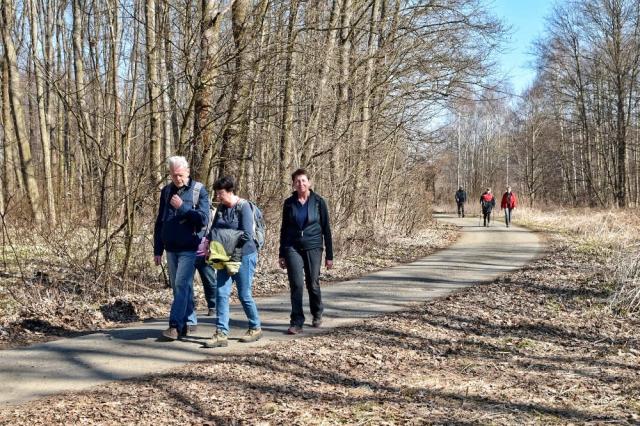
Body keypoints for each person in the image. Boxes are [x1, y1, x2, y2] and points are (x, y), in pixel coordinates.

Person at [153, 156, 209, 340]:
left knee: (181, 284)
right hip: (171, 247)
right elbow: (160, 221)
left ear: (187, 172)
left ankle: (174, 326)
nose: (178, 179)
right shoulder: (166, 191)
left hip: (190, 247)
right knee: (180, 288)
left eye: (180, 175)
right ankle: (188, 321)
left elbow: (203, 219)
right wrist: (158, 249)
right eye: (174, 175)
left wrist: (182, 207)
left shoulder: (199, 190)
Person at [204, 176, 262, 348]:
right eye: (217, 194)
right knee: (221, 293)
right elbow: (213, 231)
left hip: (244, 255)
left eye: (221, 193)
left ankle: (255, 327)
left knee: (244, 294)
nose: (218, 197)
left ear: (230, 191)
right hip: (223, 256)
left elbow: (247, 235)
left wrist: (223, 239)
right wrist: (209, 245)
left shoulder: (244, 207)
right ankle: (221, 333)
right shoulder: (221, 208)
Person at [278, 168, 334, 335]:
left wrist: (329, 256)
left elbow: (326, 229)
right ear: (293, 184)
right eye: (297, 181)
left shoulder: (318, 202)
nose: (300, 184)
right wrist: (281, 253)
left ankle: (317, 313)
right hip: (292, 247)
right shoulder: (289, 203)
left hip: (313, 246)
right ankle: (296, 321)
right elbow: (284, 229)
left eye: (303, 180)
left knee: (313, 282)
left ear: (309, 182)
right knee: (296, 284)